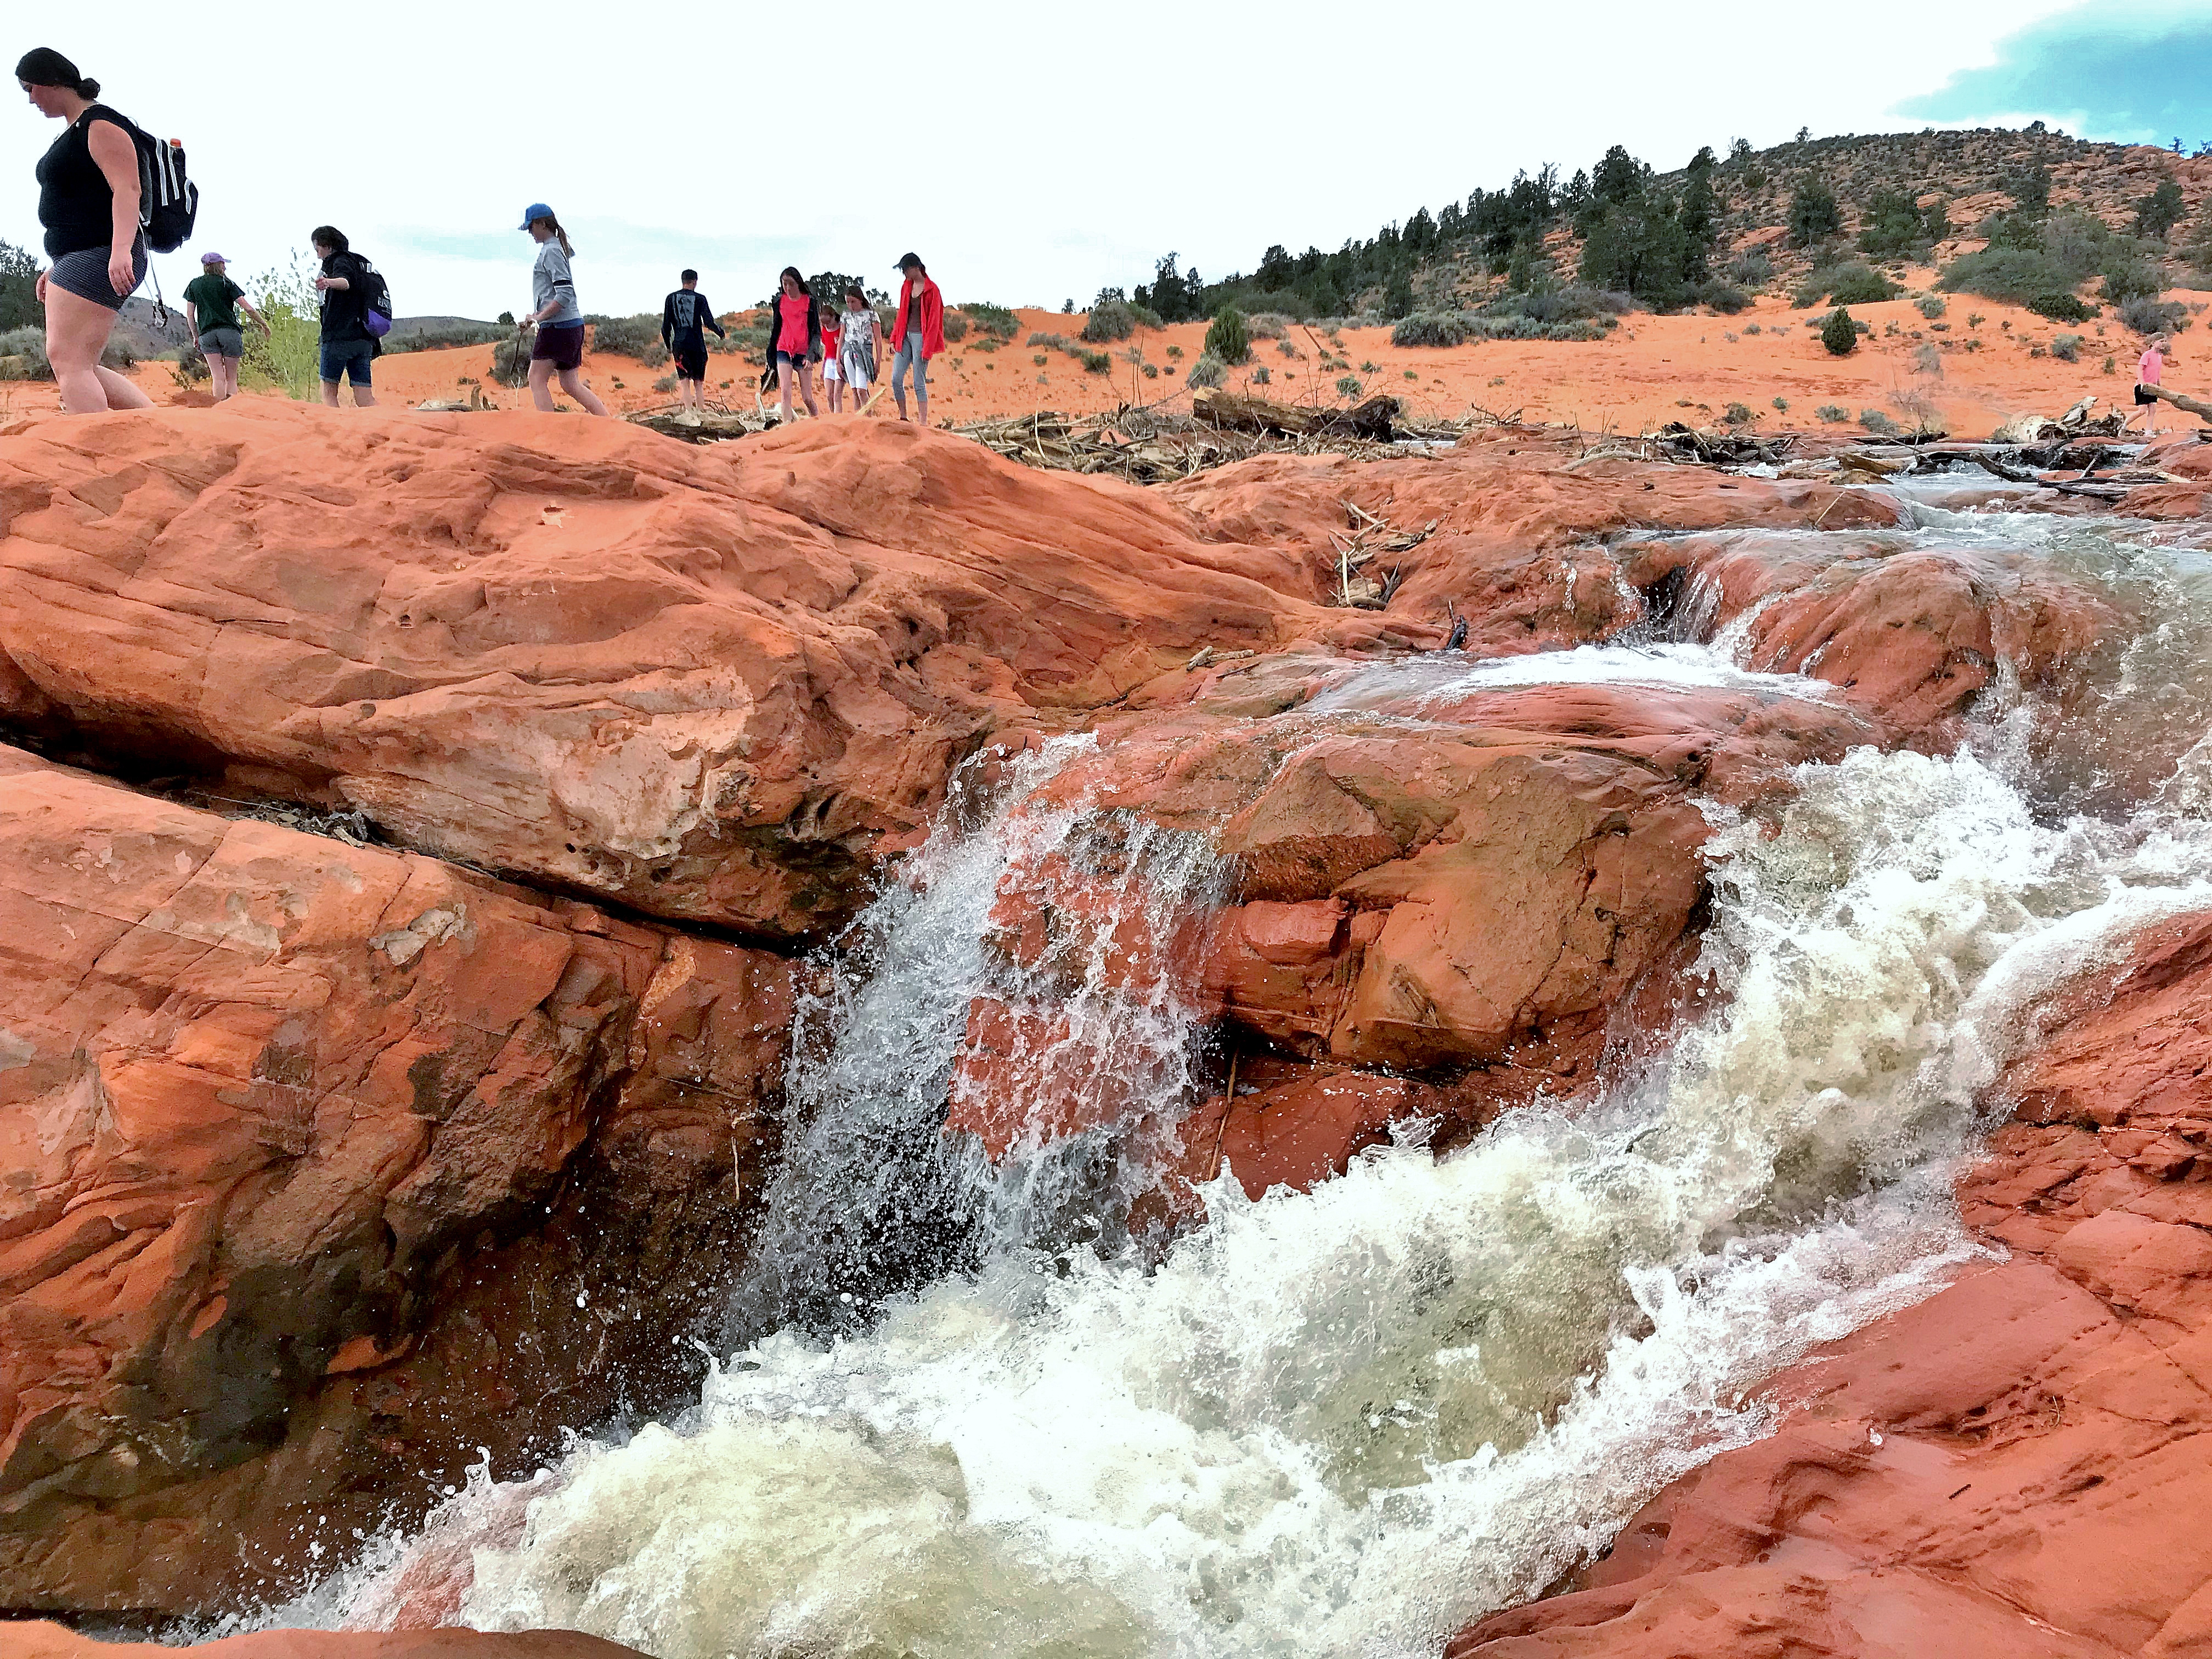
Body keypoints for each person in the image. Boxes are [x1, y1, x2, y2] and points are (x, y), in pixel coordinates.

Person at [18, 47, 152, 414]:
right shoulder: (77, 130)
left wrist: (120, 249)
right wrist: (57, 266)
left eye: (31, 88)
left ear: (53, 80)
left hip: (101, 251)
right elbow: (81, 204)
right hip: (83, 254)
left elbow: (127, 188)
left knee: (67, 360)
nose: (31, 99)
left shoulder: (100, 124)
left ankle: (102, 448)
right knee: (80, 362)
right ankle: (156, 427)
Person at [520, 204, 608, 417]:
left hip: (558, 328)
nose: (530, 233)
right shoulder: (554, 248)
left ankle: (548, 430)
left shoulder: (551, 250)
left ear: (542, 224)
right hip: (569, 327)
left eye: (531, 227)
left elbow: (565, 293)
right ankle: (608, 422)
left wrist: (538, 317)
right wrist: (537, 317)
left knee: (536, 378)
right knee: (570, 384)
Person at [182, 251, 266, 402]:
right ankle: (231, 410)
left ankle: (218, 411)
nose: (225, 268)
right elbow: (249, 309)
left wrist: (196, 336)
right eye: (223, 264)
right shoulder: (227, 283)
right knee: (231, 379)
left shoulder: (194, 285)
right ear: (218, 266)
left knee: (218, 377)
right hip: (230, 332)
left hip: (207, 334)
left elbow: (190, 315)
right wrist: (263, 324)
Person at [311, 225, 379, 407]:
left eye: (317, 249)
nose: (318, 255)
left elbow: (345, 282)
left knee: (328, 393)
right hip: (364, 339)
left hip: (339, 337)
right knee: (365, 398)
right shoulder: (360, 264)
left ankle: (332, 434)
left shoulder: (339, 261)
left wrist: (328, 282)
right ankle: (390, 427)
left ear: (327, 246)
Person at [661, 267, 725, 418]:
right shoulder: (701, 299)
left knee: (684, 382)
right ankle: (701, 413)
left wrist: (668, 345)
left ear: (683, 281)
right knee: (698, 383)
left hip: (680, 345)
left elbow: (665, 326)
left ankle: (689, 413)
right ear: (695, 282)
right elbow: (708, 322)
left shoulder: (671, 298)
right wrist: (720, 333)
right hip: (697, 345)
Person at [889, 252, 944, 425]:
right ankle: (904, 417)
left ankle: (923, 423)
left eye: (905, 269)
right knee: (896, 379)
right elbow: (901, 314)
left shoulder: (932, 289)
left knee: (918, 381)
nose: (904, 273)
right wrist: (894, 338)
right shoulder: (906, 286)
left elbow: (935, 321)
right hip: (905, 336)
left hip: (922, 337)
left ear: (915, 268)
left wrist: (928, 349)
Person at [771, 267, 821, 422]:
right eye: (784, 284)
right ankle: (786, 426)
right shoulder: (779, 302)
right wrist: (770, 354)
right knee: (785, 391)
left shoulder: (809, 301)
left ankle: (818, 422)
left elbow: (816, 332)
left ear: (798, 283)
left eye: (791, 284)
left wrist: (811, 356)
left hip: (803, 352)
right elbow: (776, 328)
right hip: (784, 348)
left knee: (807, 397)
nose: (788, 288)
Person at [839, 286, 879, 412]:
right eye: (848, 302)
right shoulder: (846, 316)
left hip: (864, 353)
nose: (851, 305)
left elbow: (878, 339)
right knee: (855, 390)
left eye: (853, 302)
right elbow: (841, 339)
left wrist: (878, 361)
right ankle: (858, 421)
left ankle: (868, 419)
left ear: (860, 300)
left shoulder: (872, 315)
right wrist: (837, 361)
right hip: (848, 352)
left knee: (862, 389)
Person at [2137, 333, 2178, 438]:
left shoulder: (2160, 356)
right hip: (2143, 387)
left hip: (2153, 387)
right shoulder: (2147, 354)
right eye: (2161, 341)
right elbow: (2140, 369)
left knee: (2153, 409)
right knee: (2142, 411)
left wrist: (2159, 385)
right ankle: (2123, 426)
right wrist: (2142, 383)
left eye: (2165, 341)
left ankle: (2148, 432)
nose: (2163, 343)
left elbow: (2157, 372)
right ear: (2153, 343)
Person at [820, 303, 845, 413]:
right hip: (829, 363)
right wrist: (823, 367)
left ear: (834, 317)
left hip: (840, 362)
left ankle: (838, 419)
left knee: (836, 396)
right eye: (824, 323)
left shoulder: (842, 329)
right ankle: (833, 417)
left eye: (828, 322)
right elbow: (826, 349)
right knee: (829, 395)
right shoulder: (824, 330)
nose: (826, 325)